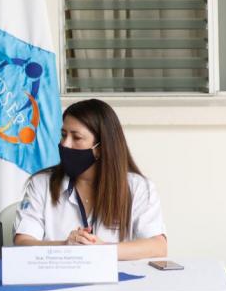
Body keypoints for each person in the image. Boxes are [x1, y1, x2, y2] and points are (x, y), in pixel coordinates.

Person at [13, 99, 167, 260]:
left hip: (117, 281)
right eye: (64, 135)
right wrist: (65, 246)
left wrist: (101, 250)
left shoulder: (138, 187)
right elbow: (22, 242)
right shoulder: (41, 183)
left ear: (100, 148)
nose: (65, 144)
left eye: (76, 138)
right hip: (57, 278)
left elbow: (158, 246)